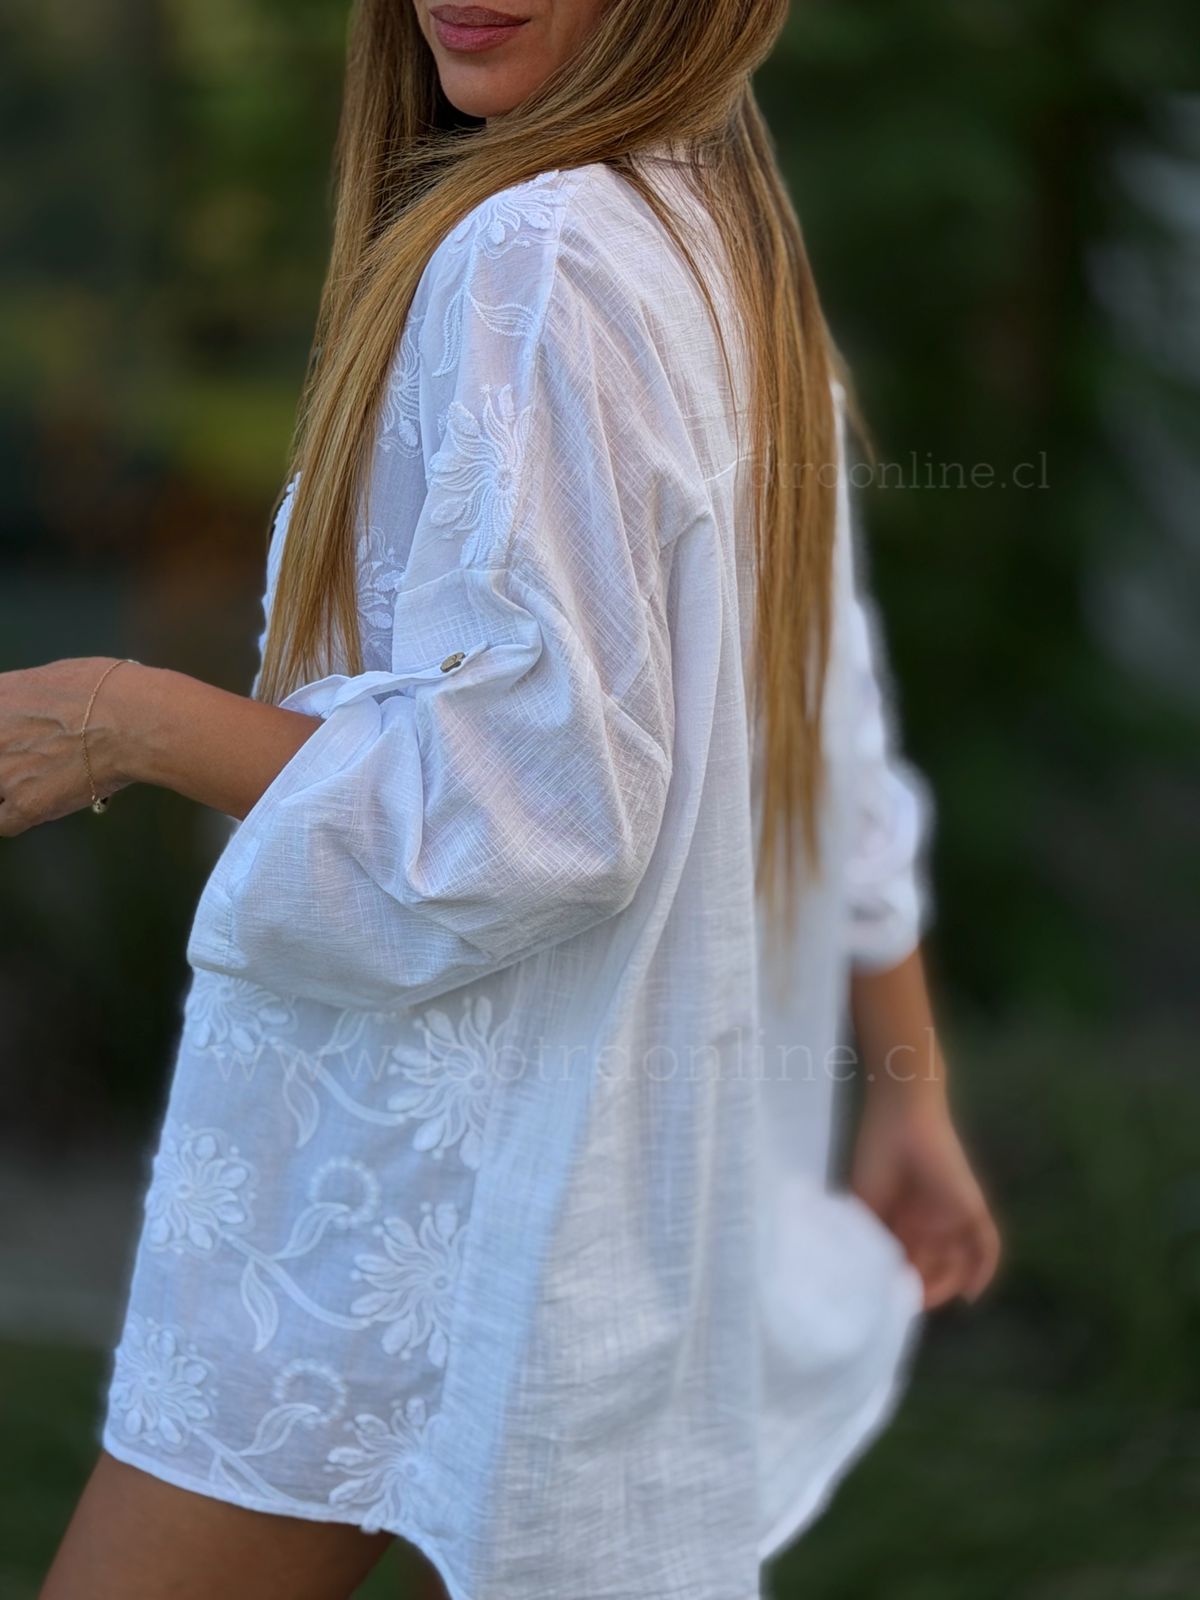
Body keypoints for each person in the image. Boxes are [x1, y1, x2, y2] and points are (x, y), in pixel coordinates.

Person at [9, 2, 1002, 1597]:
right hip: (605, 1194)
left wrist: (126, 720)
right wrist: (910, 1084)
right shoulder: (724, 244)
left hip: (405, 1181)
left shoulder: (539, 252)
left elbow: (535, 810)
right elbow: (826, 722)